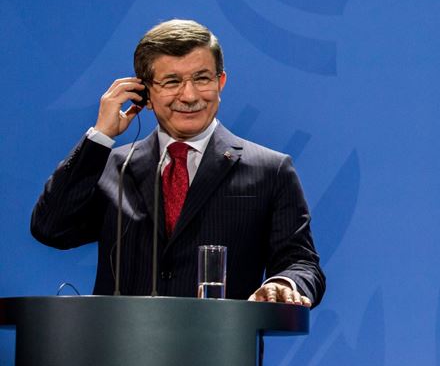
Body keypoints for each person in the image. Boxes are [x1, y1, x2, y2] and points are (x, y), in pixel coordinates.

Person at [32, 19, 325, 306]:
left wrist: (282, 284)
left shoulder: (271, 169)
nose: (189, 95)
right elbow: (51, 228)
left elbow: (300, 262)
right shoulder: (111, 166)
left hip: (219, 348)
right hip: (119, 349)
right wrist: (100, 137)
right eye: (172, 81)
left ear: (220, 82)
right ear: (144, 94)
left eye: (202, 78)